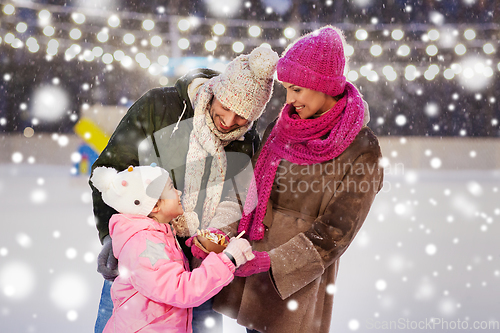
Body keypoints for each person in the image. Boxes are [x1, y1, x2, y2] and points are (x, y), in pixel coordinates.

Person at [90, 46, 279, 333]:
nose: (229, 122)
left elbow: (237, 199)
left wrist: (215, 236)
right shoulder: (159, 107)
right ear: (216, 90)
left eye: (242, 117)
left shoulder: (246, 140)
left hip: (199, 271)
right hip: (142, 258)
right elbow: (113, 171)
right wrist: (109, 236)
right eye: (225, 107)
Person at [210, 26, 384, 332]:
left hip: (295, 283)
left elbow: (337, 230)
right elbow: (247, 188)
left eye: (297, 89)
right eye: (286, 89)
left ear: (323, 85)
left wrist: (273, 262)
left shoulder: (362, 147)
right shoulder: (281, 129)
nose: (289, 100)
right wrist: (219, 232)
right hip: (253, 270)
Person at [90, 164, 255, 333]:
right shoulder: (146, 243)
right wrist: (229, 259)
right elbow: (180, 290)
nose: (179, 192)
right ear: (154, 206)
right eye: (171, 188)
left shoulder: (155, 234)